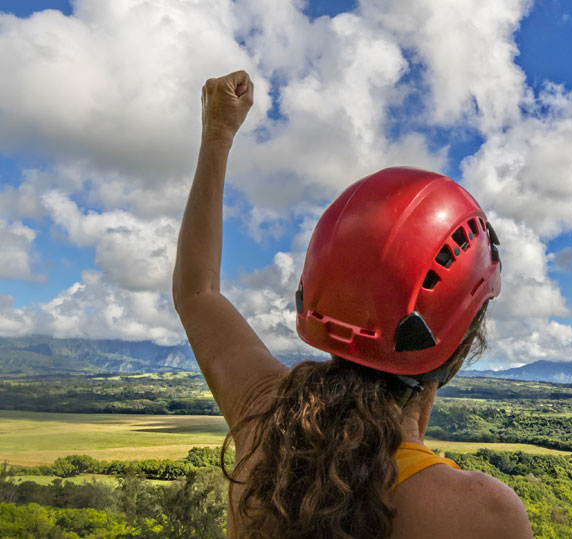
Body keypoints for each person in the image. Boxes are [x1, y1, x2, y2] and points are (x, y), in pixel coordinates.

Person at [172, 70, 532, 539]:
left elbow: (196, 291)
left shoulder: (266, 418)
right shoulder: (480, 514)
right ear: (461, 344)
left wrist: (218, 133)